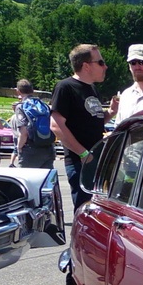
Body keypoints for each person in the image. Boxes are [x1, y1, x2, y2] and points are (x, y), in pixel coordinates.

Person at [50, 44, 118, 211]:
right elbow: (56, 126)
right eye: (101, 62)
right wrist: (83, 153)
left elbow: (91, 122)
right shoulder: (65, 87)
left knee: (99, 210)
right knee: (85, 210)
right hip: (80, 162)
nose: (105, 66)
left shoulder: (92, 88)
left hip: (96, 159)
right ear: (86, 66)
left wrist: (110, 112)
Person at [14, 79, 57, 170]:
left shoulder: (21, 106)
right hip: (47, 147)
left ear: (18, 91)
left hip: (30, 148)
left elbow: (23, 131)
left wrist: (19, 147)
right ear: (32, 90)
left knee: (25, 179)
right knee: (45, 180)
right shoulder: (43, 105)